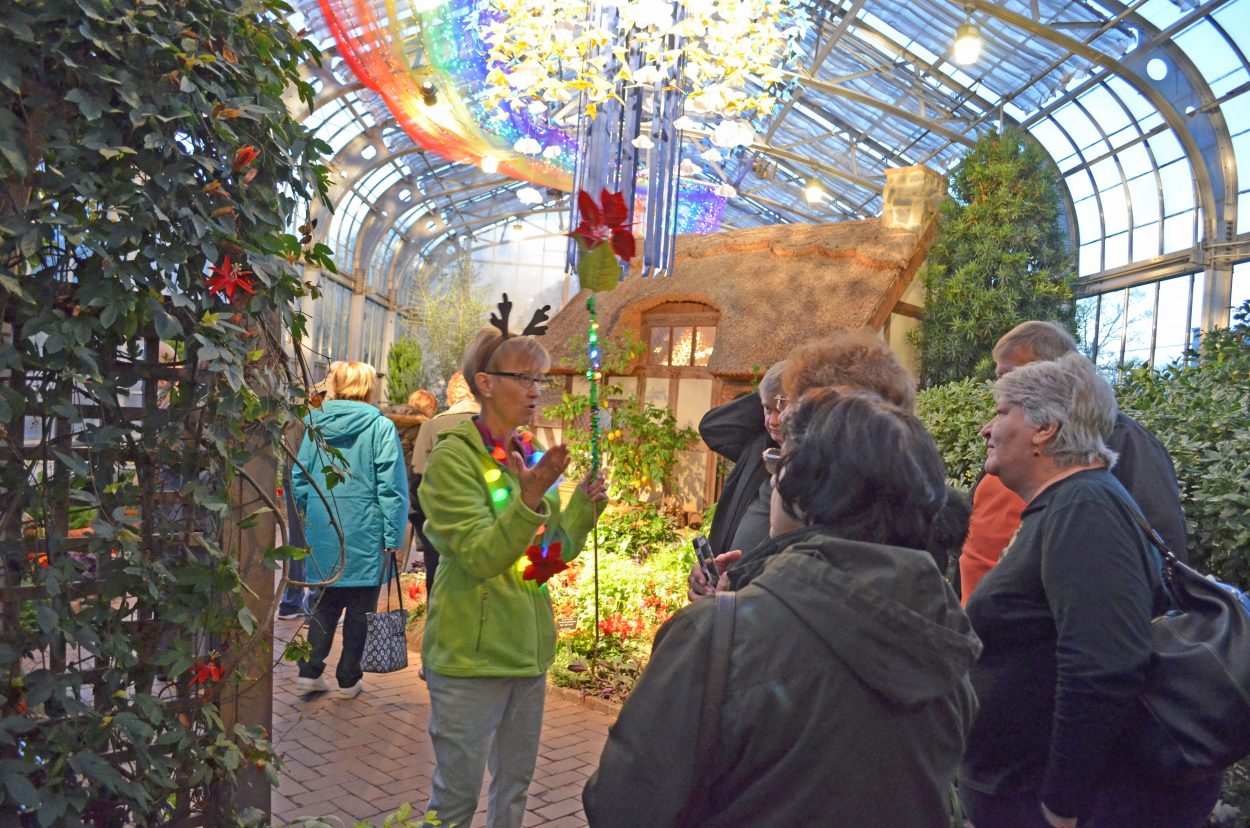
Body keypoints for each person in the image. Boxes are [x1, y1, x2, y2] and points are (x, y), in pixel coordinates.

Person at [584, 389, 981, 826]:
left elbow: (620, 806)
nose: (770, 479)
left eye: (777, 463)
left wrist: (727, 626)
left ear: (804, 492)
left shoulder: (718, 638)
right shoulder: (944, 634)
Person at [958, 352, 1221, 828]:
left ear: (1044, 429)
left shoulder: (1084, 507)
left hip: (1057, 801)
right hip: (1026, 788)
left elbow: (1102, 665)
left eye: (1000, 412)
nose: (986, 429)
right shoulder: (1071, 502)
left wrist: (1063, 805)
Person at [418, 325, 607, 828]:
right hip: (469, 659)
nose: (534, 391)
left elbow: (540, 562)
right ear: (484, 382)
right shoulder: (453, 458)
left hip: (526, 652)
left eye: (539, 379)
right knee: (455, 801)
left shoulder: (523, 454)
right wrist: (528, 499)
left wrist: (582, 510)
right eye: (522, 377)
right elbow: (480, 556)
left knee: (515, 792)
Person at [689, 330, 965, 598]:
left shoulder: (834, 574)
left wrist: (725, 619)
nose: (781, 420)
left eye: (797, 409)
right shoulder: (898, 533)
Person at [959, 320, 1188, 602]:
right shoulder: (1011, 435)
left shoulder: (1120, 440)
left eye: (1011, 374)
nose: (1004, 387)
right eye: (1000, 376)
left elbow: (1161, 537)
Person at [291, 361, 407, 699]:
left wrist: (308, 519)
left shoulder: (316, 424)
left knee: (324, 602)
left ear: (337, 385)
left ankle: (310, 673)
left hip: (325, 528)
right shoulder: (380, 427)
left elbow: (301, 479)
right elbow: (391, 488)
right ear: (369, 387)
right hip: (366, 532)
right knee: (361, 609)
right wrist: (393, 537)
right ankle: (348, 679)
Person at [697, 361, 785, 557]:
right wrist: (770, 393)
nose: (773, 420)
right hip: (724, 577)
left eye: (783, 407)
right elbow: (712, 428)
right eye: (768, 410)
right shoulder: (758, 447)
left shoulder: (818, 463)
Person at [409, 371, 480, 592]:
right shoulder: (495, 424)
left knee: (439, 589)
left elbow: (417, 483)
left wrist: (425, 527)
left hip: (440, 528)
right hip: (485, 526)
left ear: (450, 397)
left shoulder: (432, 426)